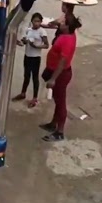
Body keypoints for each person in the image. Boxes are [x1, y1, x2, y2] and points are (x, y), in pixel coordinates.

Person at [40, 14, 80, 142]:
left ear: (68, 26)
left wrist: (53, 79)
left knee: (60, 102)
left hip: (61, 74)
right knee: (58, 100)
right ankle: (53, 123)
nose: (60, 23)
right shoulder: (68, 34)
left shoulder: (67, 40)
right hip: (57, 72)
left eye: (63, 23)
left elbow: (62, 62)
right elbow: (56, 23)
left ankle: (60, 131)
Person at [12, 13, 50, 107]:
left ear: (41, 22)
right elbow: (24, 42)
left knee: (35, 77)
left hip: (36, 57)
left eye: (38, 21)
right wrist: (21, 42)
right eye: (35, 21)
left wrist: (36, 46)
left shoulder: (42, 32)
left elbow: (46, 45)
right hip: (27, 56)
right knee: (26, 76)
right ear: (32, 21)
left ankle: (35, 98)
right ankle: (23, 93)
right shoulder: (29, 30)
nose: (36, 23)